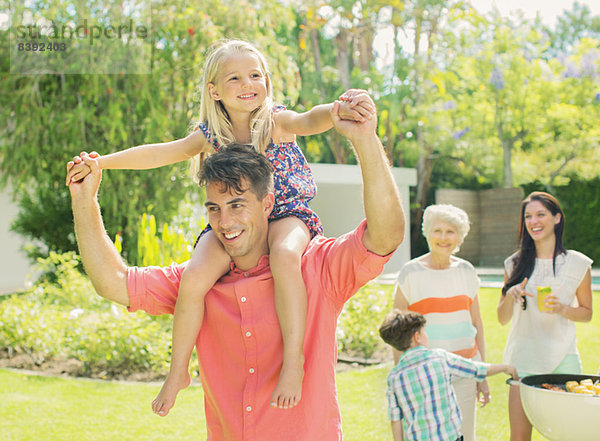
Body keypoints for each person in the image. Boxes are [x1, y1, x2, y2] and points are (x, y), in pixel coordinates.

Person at [65, 39, 375, 415]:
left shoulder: (276, 121)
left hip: (287, 212)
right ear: (214, 91)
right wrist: (103, 163)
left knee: (284, 255)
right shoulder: (211, 135)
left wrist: (338, 108)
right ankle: (178, 369)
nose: (248, 84)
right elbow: (159, 152)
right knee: (195, 277)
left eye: (255, 75)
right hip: (233, 222)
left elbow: (312, 118)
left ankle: (294, 361)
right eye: (235, 78)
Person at [497, 191, 593, 441]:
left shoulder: (577, 264)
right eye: (528, 216)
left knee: (570, 435)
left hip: (565, 359)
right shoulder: (514, 264)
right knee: (519, 437)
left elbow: (587, 313)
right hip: (524, 358)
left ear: (557, 218)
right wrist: (511, 294)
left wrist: (562, 308)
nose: (533, 221)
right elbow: (501, 318)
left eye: (541, 214)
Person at [392, 204, 488, 441]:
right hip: (424, 375)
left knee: (464, 436)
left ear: (460, 237)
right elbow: (398, 332)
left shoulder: (466, 271)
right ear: (427, 232)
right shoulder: (410, 273)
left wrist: (482, 375)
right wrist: (400, 375)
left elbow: (477, 324)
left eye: (451, 232)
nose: (443, 238)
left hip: (465, 369)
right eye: (438, 230)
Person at [379, 309, 517, 441]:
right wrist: (505, 367)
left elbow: (395, 418)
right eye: (424, 332)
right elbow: (477, 369)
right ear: (417, 337)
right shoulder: (439, 358)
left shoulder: (394, 377)